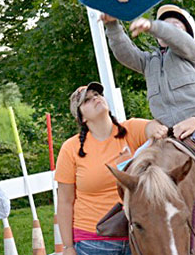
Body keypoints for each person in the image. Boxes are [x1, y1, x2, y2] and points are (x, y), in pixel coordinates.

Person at [101, 5, 195, 180]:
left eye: (175, 25)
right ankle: (130, 200)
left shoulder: (190, 53)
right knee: (135, 160)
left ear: (187, 34)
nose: (168, 28)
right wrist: (112, 26)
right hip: (165, 131)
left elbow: (177, 38)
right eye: (165, 24)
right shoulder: (149, 62)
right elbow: (125, 53)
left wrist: (154, 26)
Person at [55, 82, 167, 255]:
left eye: (97, 95)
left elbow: (150, 126)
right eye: (87, 100)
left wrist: (157, 130)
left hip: (137, 235)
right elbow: (64, 201)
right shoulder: (71, 148)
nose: (96, 99)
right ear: (82, 118)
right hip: (93, 241)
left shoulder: (129, 129)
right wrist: (68, 247)